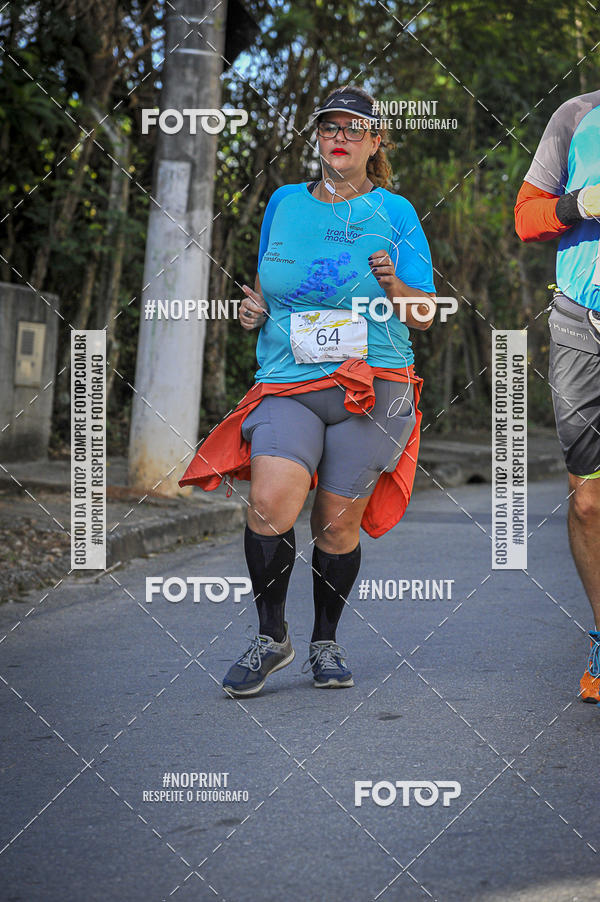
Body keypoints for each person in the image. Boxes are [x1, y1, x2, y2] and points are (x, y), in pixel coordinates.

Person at [180, 84, 436, 697]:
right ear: (318, 139)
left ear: (376, 142)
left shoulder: (395, 213)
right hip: (289, 379)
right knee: (270, 503)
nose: (340, 137)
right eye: (330, 127)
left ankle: (325, 641)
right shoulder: (285, 202)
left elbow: (424, 313)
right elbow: (272, 282)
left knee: (336, 525)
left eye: (355, 129)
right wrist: (253, 309)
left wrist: (393, 281)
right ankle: (273, 638)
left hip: (374, 385)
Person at [514, 89, 600, 704]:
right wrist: (578, 204)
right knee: (589, 502)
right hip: (579, 323)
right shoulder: (577, 115)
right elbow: (526, 218)